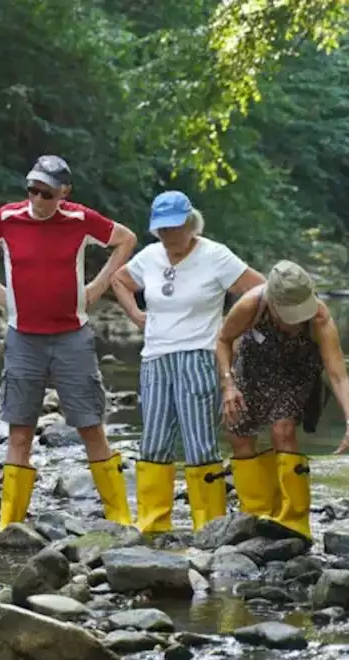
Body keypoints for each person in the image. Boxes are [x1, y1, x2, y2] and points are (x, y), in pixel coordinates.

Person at [0, 155, 138, 530]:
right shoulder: (7, 218)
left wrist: (97, 287)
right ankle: (10, 524)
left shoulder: (79, 219)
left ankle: (119, 519)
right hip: (23, 338)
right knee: (20, 429)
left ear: (63, 193)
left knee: (91, 426)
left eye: (46, 193)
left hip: (73, 336)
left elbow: (126, 240)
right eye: (32, 190)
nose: (37, 199)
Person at [110, 190, 266, 534]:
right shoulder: (150, 257)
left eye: (174, 228)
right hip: (155, 358)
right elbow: (118, 279)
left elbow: (260, 291)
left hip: (199, 355)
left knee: (198, 441)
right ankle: (153, 525)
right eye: (161, 230)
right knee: (153, 440)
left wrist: (235, 336)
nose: (168, 236)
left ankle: (208, 525)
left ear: (190, 224)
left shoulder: (215, 256)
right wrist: (137, 315)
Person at [217, 260, 349, 540]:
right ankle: (256, 514)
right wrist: (229, 385)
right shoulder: (251, 305)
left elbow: (338, 375)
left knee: (283, 429)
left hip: (297, 374)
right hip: (251, 369)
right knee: (238, 434)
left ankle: (294, 521)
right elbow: (223, 340)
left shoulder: (319, 317)